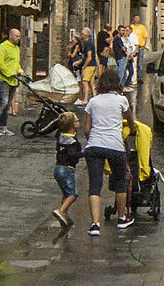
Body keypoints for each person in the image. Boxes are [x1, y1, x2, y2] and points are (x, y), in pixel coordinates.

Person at [81, 67, 135, 235]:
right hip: (115, 146)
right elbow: (130, 120)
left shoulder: (93, 101)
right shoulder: (122, 100)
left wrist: (93, 139)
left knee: (95, 185)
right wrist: (132, 130)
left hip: (94, 146)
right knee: (120, 182)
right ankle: (121, 218)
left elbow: (87, 129)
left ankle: (95, 224)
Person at [51, 111, 82, 230]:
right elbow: (72, 155)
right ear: (73, 125)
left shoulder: (60, 136)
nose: (79, 122)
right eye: (77, 120)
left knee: (65, 193)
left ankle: (65, 216)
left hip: (58, 168)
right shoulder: (73, 142)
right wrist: (85, 154)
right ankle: (61, 210)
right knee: (72, 194)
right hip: (67, 169)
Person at [0, 27, 23, 136]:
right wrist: (9, 73)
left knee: (8, 105)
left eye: (19, 36)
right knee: (3, 102)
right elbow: (0, 63)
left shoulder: (16, 48)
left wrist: (20, 71)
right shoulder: (3, 46)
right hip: (3, 79)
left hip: (13, 80)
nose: (18, 38)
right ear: (10, 36)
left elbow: (16, 63)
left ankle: (3, 127)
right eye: (16, 36)